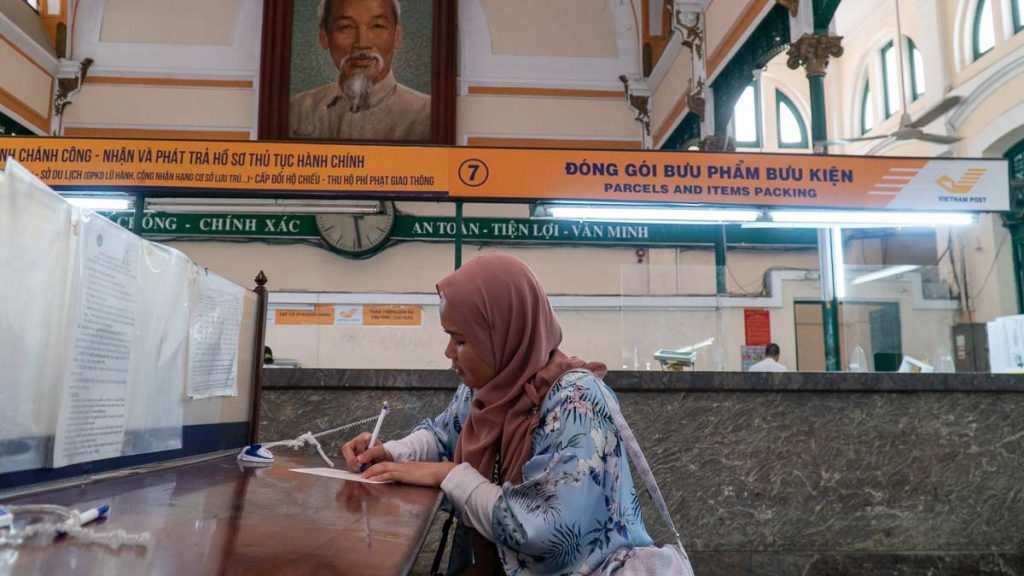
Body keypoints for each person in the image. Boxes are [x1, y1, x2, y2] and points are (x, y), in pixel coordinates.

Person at [342, 253, 653, 575]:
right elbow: (445, 433)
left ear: (503, 334)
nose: (448, 352)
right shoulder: (488, 387)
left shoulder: (577, 401)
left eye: (461, 340)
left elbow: (545, 529)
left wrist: (448, 475)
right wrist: (389, 453)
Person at [289, 0, 431, 141]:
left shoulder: (427, 115)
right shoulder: (296, 110)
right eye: (346, 27)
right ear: (324, 36)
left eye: (376, 26)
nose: (362, 43)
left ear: (397, 36)